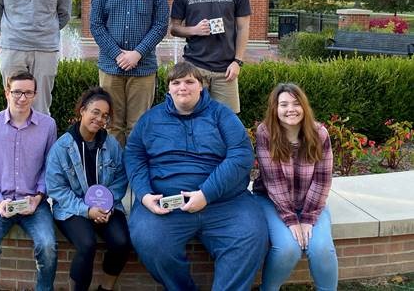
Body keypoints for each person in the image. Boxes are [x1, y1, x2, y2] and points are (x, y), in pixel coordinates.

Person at [124, 61, 268, 291]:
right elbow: (134, 156)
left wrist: (207, 193)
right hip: (167, 203)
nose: (183, 87)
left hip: (224, 201)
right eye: (176, 82)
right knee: (150, 241)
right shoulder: (150, 120)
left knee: (250, 237)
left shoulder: (222, 115)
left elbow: (241, 154)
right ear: (168, 89)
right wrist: (143, 194)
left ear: (201, 86)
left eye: (190, 81)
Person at [0, 71, 57, 291]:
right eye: (17, 92)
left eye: (28, 93)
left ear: (35, 94)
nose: (22, 98)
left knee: (48, 245)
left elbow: (50, 168)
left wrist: (38, 197)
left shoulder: (48, 126)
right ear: (7, 93)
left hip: (34, 204)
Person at [253, 83, 338, 291]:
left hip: (311, 201)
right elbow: (274, 183)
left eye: (296, 103)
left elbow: (322, 179)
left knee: (321, 249)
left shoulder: (320, 134)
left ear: (304, 106)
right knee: (287, 249)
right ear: (275, 109)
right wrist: (291, 220)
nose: (290, 109)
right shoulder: (265, 133)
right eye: (283, 104)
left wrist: (308, 217)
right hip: (271, 201)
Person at [46, 87, 130, 291]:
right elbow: (56, 189)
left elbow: (120, 178)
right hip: (72, 209)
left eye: (105, 116)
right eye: (95, 112)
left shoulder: (111, 144)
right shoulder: (62, 147)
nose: (100, 119)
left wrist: (108, 205)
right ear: (82, 110)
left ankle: (106, 288)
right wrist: (87, 210)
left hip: (106, 207)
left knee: (122, 243)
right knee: (86, 244)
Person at [90, 0, 169, 145]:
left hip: (143, 69)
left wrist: (137, 53)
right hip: (110, 67)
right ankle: (116, 175)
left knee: (139, 125)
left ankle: (135, 176)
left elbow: (161, 25)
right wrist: (118, 54)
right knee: (112, 124)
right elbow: (96, 25)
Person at [170, 0, 251, 114]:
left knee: (227, 123)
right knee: (193, 120)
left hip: (226, 71)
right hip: (194, 69)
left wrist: (238, 61)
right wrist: (194, 30)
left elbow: (243, 27)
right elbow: (174, 28)